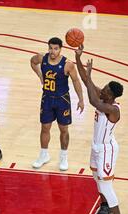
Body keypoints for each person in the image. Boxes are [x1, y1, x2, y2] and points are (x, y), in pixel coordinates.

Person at [75, 44, 128, 214]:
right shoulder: (103, 97)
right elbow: (84, 80)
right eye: (104, 88)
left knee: (106, 185)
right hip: (96, 146)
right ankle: (105, 206)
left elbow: (93, 101)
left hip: (107, 149)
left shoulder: (112, 109)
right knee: (96, 179)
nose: (103, 91)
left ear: (112, 96)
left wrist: (89, 77)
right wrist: (78, 58)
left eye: (106, 90)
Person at [30, 37, 85, 171]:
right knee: (45, 128)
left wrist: (81, 99)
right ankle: (44, 155)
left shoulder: (68, 64)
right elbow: (32, 62)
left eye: (55, 49)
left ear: (60, 49)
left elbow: (76, 81)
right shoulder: (42, 58)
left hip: (62, 100)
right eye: (51, 48)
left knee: (64, 129)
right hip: (47, 98)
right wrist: (39, 75)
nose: (53, 51)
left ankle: (63, 157)